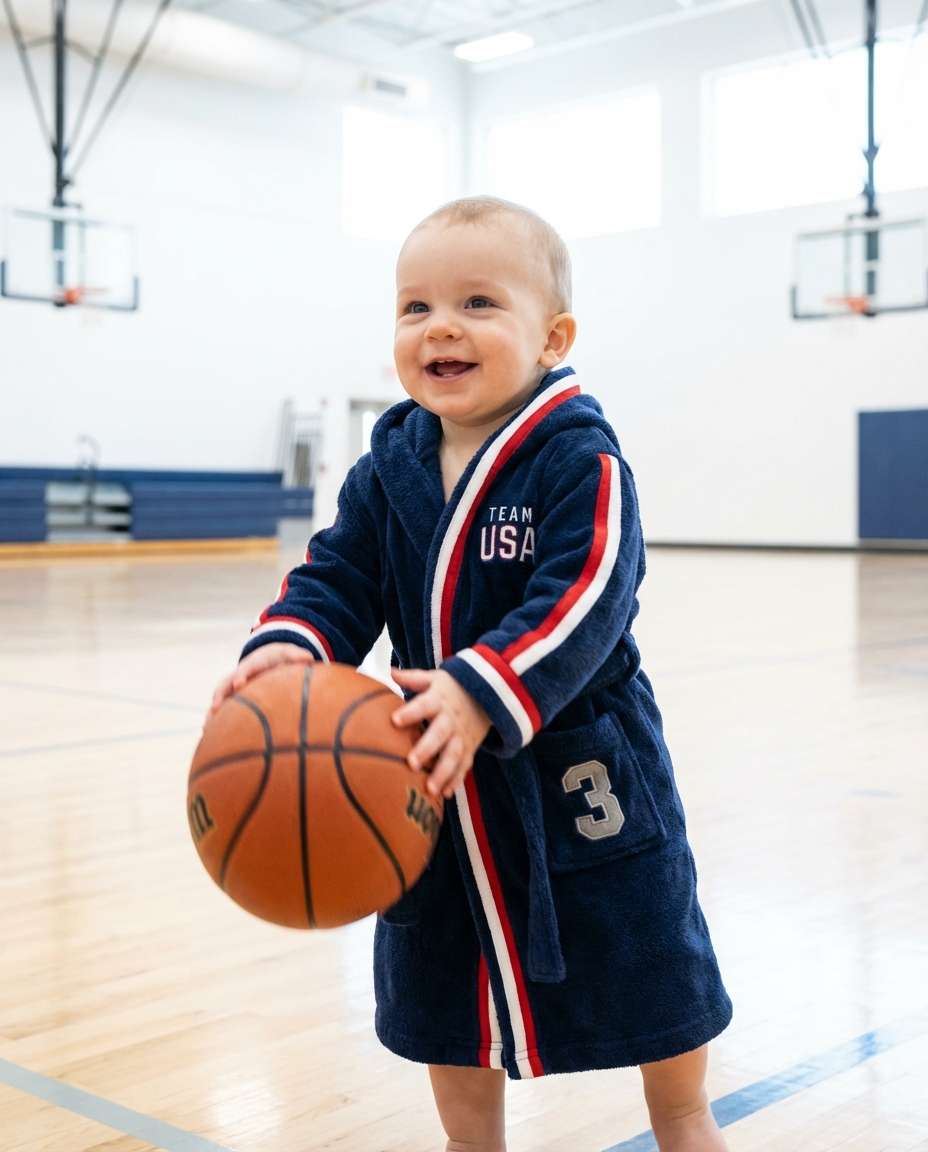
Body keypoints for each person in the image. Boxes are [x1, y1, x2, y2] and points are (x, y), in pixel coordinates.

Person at [210, 195, 733, 1152]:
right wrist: (291, 642)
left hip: (577, 772)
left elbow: (590, 591)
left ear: (551, 336)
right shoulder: (389, 468)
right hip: (427, 773)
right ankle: (471, 1142)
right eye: (415, 308)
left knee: (650, 954)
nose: (441, 325)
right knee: (440, 979)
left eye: (479, 302)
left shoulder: (578, 456)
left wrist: (484, 685)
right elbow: (337, 573)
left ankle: (686, 1119)